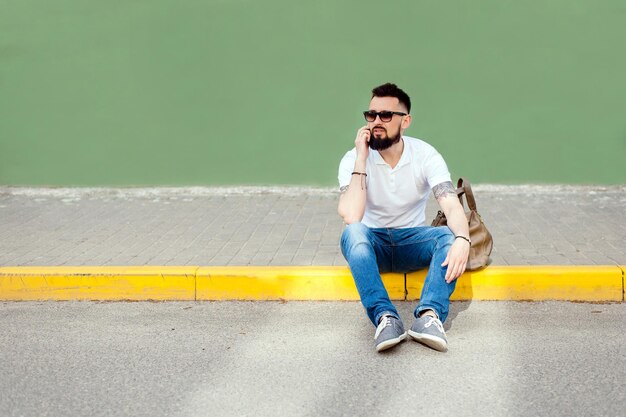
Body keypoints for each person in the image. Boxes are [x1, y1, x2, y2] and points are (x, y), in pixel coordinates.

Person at [337, 83, 470, 353]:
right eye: (371, 115)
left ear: (405, 121)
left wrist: (463, 239)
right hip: (371, 244)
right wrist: (362, 159)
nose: (376, 122)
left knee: (447, 236)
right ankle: (386, 319)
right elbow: (352, 216)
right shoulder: (352, 159)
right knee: (352, 232)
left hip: (412, 240)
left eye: (386, 116)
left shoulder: (425, 155)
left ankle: (429, 318)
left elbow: (451, 204)